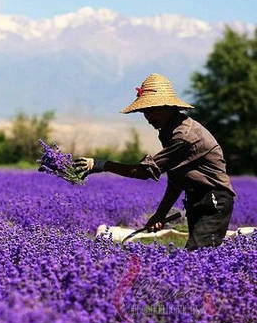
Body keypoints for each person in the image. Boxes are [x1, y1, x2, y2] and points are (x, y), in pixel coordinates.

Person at [74, 73, 235, 250]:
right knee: (199, 254)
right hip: (197, 198)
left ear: (168, 106)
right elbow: (176, 180)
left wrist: (102, 165)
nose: (148, 117)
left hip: (213, 199)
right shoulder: (168, 131)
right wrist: (160, 214)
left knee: (197, 255)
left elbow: (143, 172)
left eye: (152, 110)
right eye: (144, 111)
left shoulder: (183, 136)